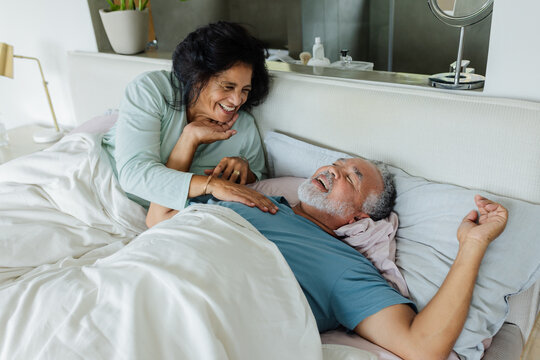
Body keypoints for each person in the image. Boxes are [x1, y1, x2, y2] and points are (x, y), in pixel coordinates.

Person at [146, 157, 508, 360]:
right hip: (148, 272)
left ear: (359, 217)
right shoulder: (250, 199)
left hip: (191, 313)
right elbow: (157, 223)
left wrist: (472, 245)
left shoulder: (342, 265)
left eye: (351, 177)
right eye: (335, 164)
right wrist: (198, 162)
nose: (333, 170)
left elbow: (422, 346)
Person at [101, 21, 271, 211]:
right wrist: (211, 184)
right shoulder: (153, 89)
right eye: (228, 87)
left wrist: (243, 171)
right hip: (102, 186)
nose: (237, 100)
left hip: (160, 215)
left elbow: (260, 179)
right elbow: (134, 174)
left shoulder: (244, 126)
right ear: (197, 77)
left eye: (245, 90)